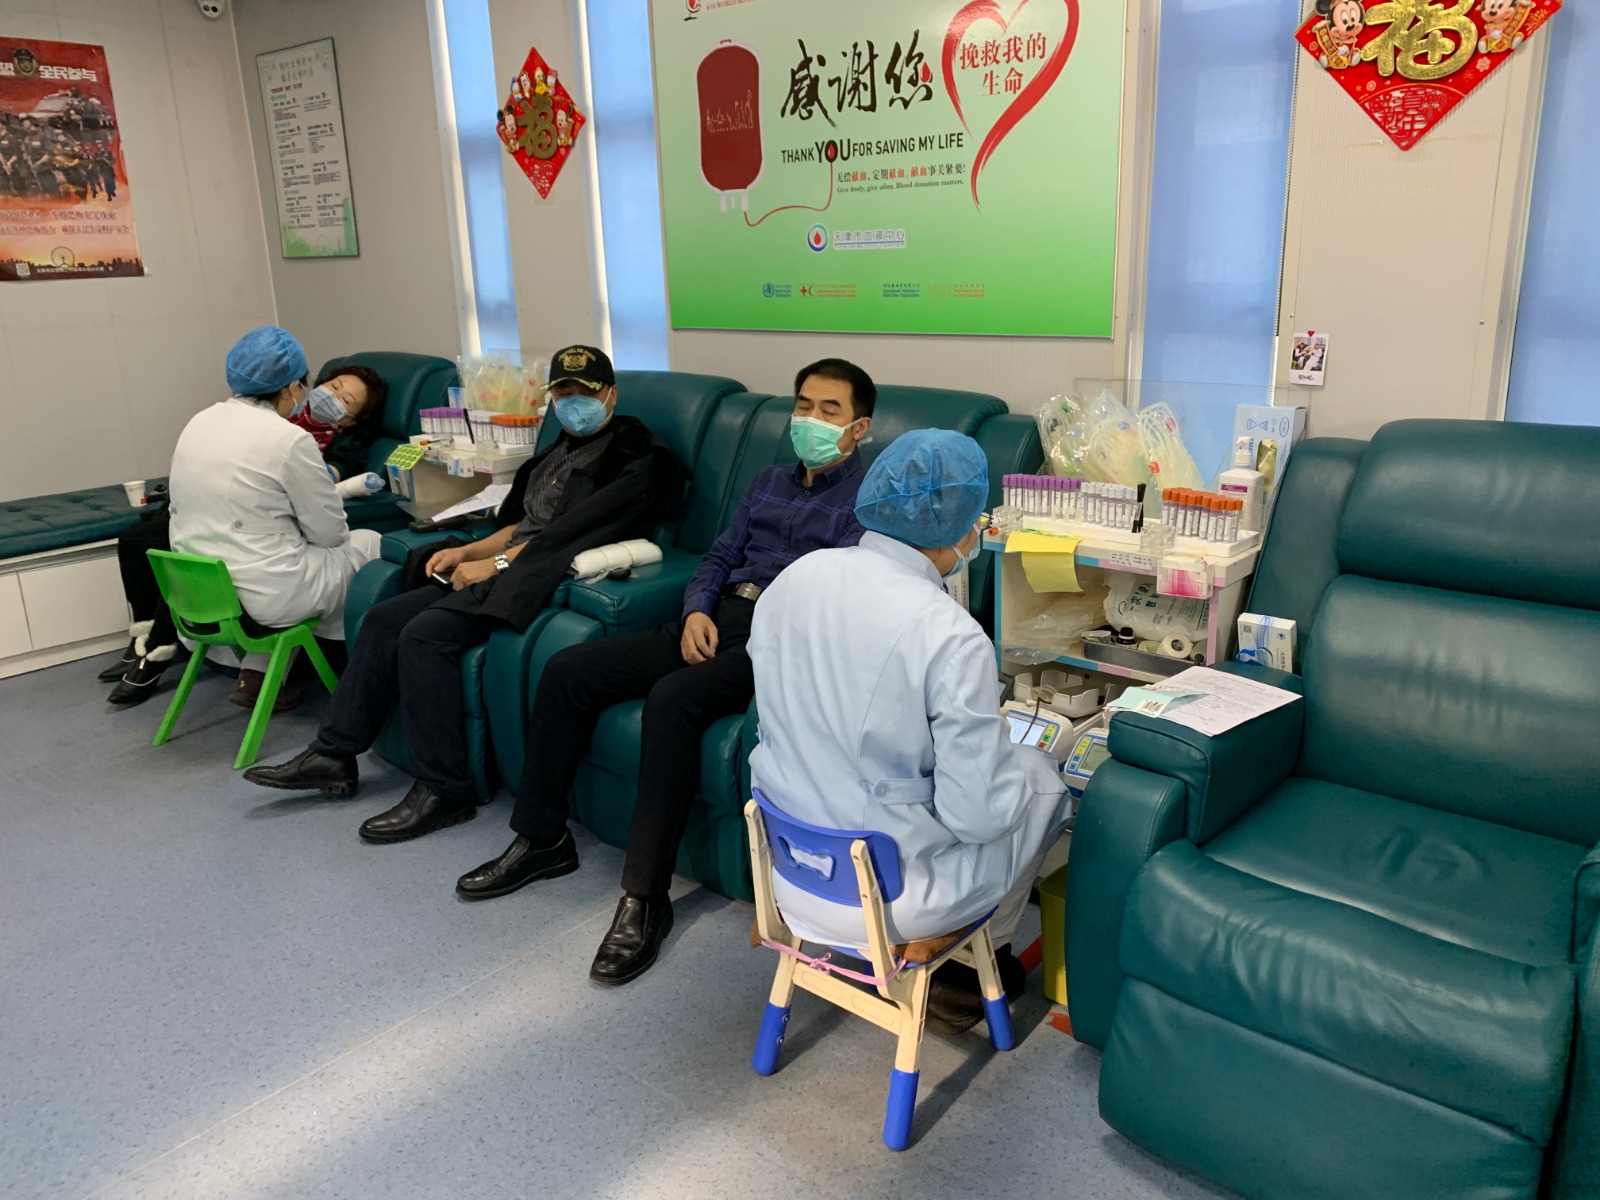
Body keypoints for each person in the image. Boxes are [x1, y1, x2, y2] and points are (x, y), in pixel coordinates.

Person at [454, 358, 878, 987]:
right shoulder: (768, 480)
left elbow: (837, 599)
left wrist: (755, 626)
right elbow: (719, 554)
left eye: (829, 410)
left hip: (776, 641)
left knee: (674, 698)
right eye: (803, 406)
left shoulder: (866, 502)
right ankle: (542, 840)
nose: (810, 419)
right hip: (715, 617)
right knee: (569, 670)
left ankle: (645, 898)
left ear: (859, 427)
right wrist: (696, 609)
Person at [242, 345, 687, 846]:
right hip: (510, 563)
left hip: (544, 576)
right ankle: (334, 753)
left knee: (426, 636)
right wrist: (468, 551)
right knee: (385, 619)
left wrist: (493, 566)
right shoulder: (558, 450)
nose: (571, 402)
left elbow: (563, 539)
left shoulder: (636, 461)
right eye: (562, 392)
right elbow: (522, 525)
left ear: (611, 395)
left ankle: (445, 789)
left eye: (583, 391)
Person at [746, 429, 1070, 1032]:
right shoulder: (949, 633)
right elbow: (979, 817)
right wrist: (994, 758)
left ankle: (961, 959)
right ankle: (969, 969)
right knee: (1043, 782)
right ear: (960, 526)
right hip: (895, 901)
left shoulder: (794, 579)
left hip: (789, 876)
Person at [102, 362, 388, 708]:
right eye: (335, 385)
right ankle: (356, 678)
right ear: (298, 388)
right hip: (261, 580)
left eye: (346, 399)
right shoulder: (284, 432)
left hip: (213, 584)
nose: (332, 395)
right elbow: (329, 532)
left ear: (351, 420)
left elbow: (324, 489)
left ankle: (231, 669)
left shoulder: (214, 423)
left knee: (206, 556)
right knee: (367, 547)